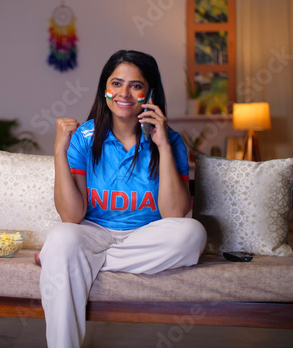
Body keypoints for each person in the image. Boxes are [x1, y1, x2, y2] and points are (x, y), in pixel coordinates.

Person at [37, 50, 207, 348]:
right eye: (116, 83)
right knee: (62, 236)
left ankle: (67, 261)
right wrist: (58, 152)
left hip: (145, 236)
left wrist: (162, 144)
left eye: (136, 85)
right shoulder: (84, 137)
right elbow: (72, 217)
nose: (124, 93)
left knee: (193, 233)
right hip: (95, 232)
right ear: (105, 88)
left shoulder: (171, 140)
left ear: (150, 92)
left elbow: (175, 214)